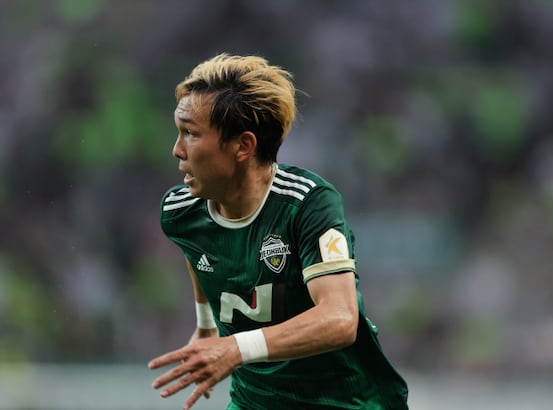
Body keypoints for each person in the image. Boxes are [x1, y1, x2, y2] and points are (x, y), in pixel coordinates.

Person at [148, 53, 409, 410]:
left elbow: (340, 318)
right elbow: (197, 250)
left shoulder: (307, 204)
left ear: (243, 146)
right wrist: (206, 325)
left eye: (191, 134)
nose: (177, 150)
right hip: (255, 402)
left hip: (347, 402)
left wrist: (234, 348)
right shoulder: (180, 212)